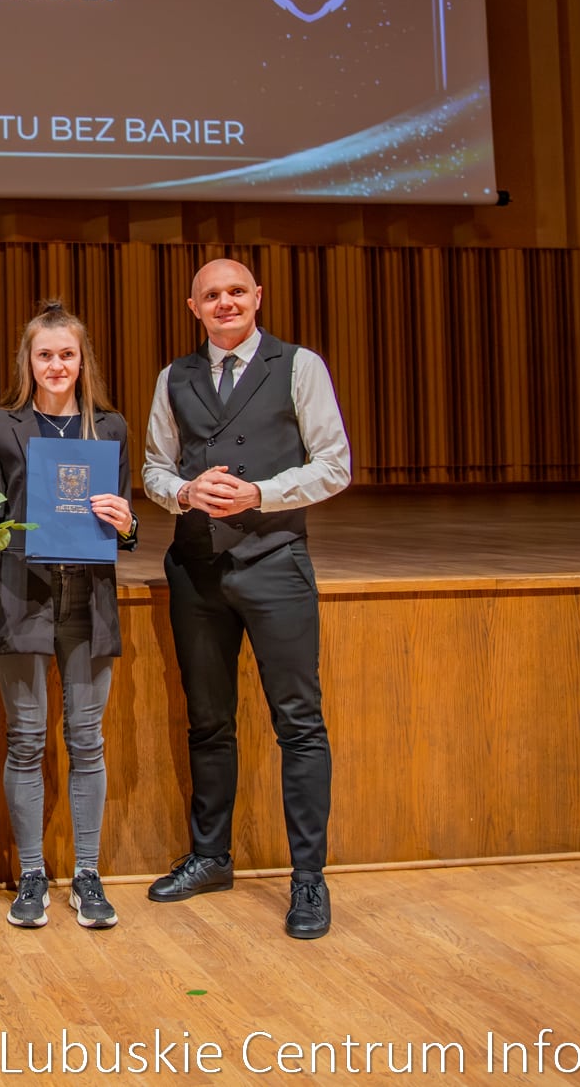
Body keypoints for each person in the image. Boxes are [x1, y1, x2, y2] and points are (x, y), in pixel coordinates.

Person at [141, 258, 351, 939]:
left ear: (257, 297)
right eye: (212, 295)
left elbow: (335, 463)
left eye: (236, 291)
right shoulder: (175, 377)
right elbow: (152, 467)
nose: (225, 302)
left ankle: (309, 878)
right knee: (209, 721)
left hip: (275, 561)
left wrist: (263, 493)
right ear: (193, 306)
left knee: (299, 722)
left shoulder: (298, 366)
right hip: (197, 568)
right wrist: (180, 493)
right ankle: (209, 857)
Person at [0, 301, 138, 930]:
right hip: (21, 596)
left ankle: (87, 873)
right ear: (28, 363)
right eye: (45, 355)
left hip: (88, 599)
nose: (57, 365)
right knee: (27, 739)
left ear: (81, 359)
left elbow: (124, 526)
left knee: (86, 740)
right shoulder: (4, 429)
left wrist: (127, 522)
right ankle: (32, 874)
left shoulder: (109, 428)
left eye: (67, 354)